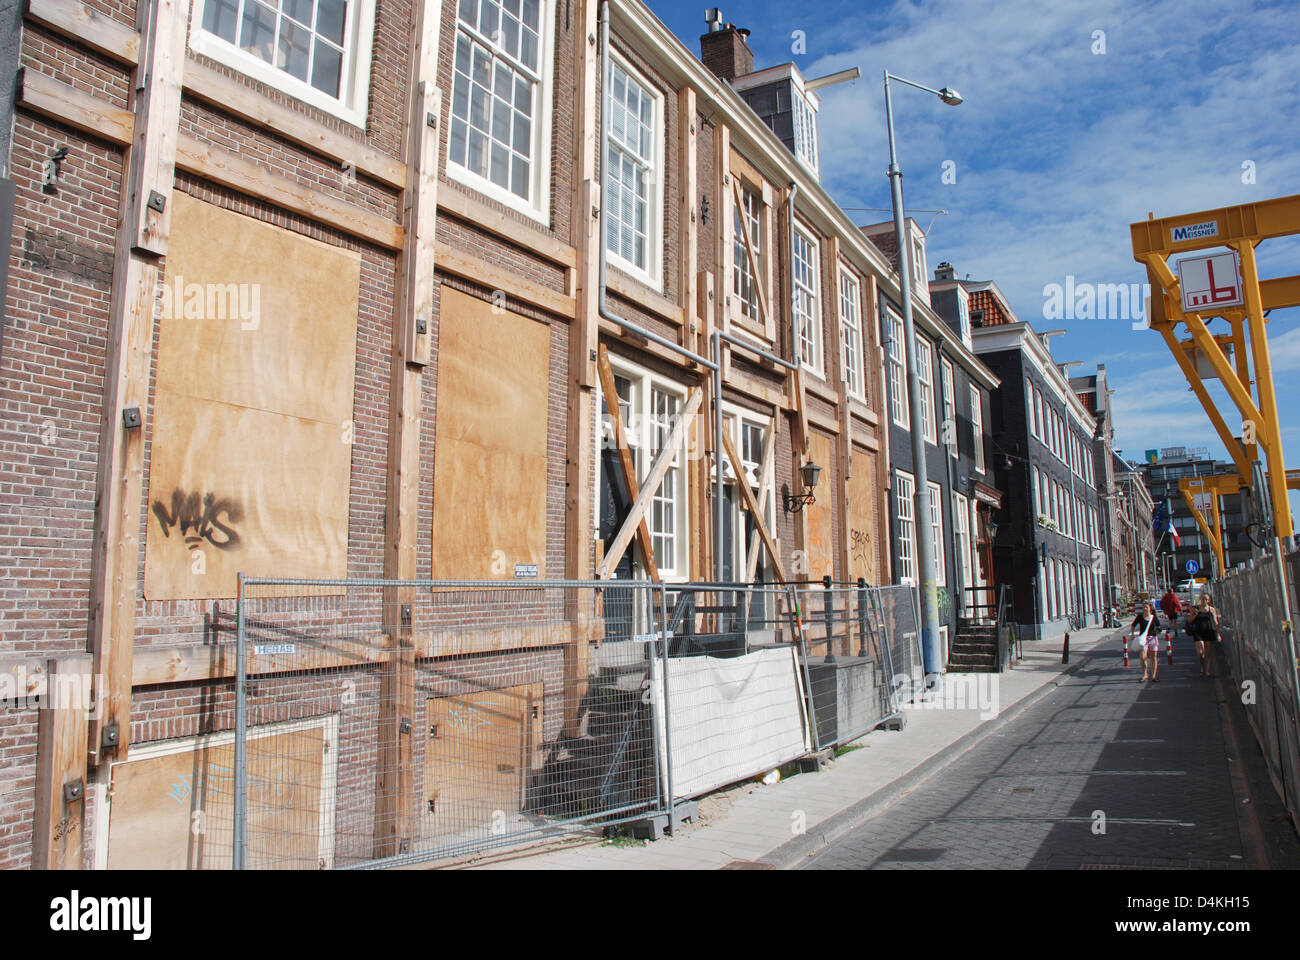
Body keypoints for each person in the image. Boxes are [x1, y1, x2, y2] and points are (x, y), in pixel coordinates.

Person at [1130, 601, 1164, 682]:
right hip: (1143, 639)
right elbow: (1133, 625)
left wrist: (1158, 630)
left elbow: (1159, 626)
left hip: (1153, 638)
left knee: (1153, 657)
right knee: (1143, 657)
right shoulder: (1139, 617)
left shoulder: (1154, 617)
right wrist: (1132, 634)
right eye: (1143, 607)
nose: (1144, 609)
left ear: (1150, 608)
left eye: (1146, 607)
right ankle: (1145, 674)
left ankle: (1154, 675)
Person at [1190, 593, 1221, 677]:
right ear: (1200, 599)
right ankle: (1202, 667)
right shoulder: (1195, 608)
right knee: (1200, 652)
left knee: (1209, 653)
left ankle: (1208, 670)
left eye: (1206, 599)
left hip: (1209, 631)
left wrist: (1218, 634)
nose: (1204, 601)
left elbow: (1215, 622)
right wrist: (1195, 615)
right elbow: (1189, 620)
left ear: (1209, 600)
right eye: (1203, 599)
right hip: (1198, 631)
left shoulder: (1211, 609)